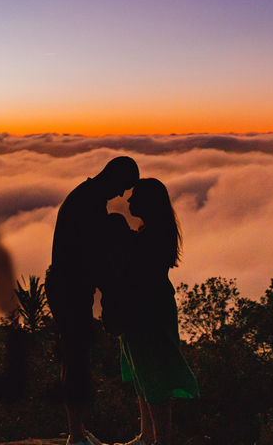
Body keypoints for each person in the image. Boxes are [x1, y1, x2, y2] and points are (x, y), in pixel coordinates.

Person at [47, 156, 141, 445]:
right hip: (69, 291)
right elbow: (93, 259)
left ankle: (78, 430)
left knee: (74, 357)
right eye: (124, 186)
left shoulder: (85, 198)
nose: (122, 195)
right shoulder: (88, 205)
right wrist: (116, 293)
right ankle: (76, 436)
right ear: (113, 175)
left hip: (68, 289)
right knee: (75, 359)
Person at [106, 177, 199, 445]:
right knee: (143, 373)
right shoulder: (154, 233)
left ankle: (161, 440)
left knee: (153, 374)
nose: (129, 200)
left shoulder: (149, 238)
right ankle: (148, 437)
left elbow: (136, 277)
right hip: (148, 309)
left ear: (148, 202)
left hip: (147, 313)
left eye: (134, 196)